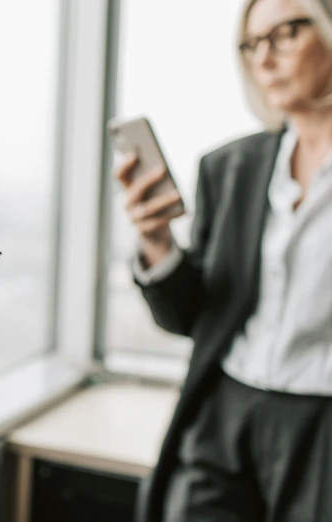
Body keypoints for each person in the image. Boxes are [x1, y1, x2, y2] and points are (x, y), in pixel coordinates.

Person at [115, 0, 332, 520]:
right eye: (251, 45)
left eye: (283, 34)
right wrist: (158, 241)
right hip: (225, 410)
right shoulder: (230, 167)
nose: (264, 59)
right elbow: (189, 316)